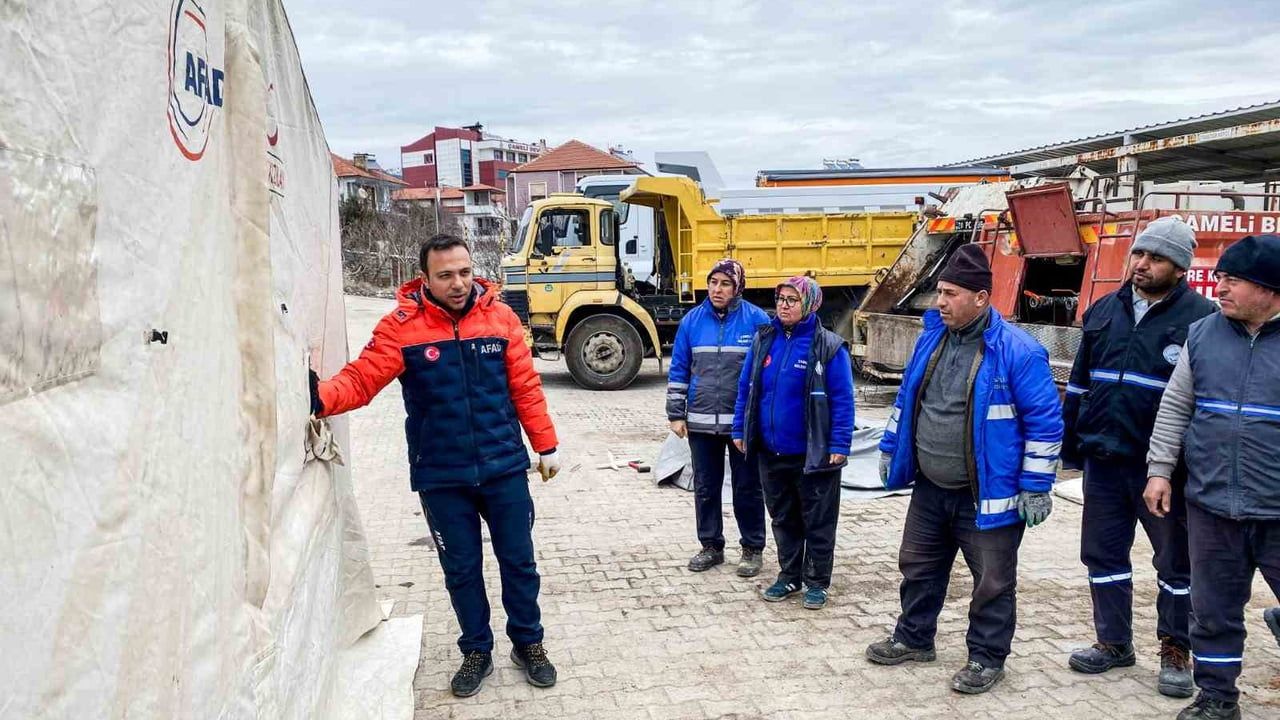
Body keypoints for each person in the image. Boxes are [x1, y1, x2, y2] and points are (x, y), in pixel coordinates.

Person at [310, 234, 561, 699]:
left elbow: (526, 388)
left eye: (465, 272)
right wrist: (320, 397)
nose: (459, 283)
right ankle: (477, 651)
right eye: (446, 275)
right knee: (461, 569)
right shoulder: (401, 328)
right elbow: (362, 378)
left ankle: (529, 644)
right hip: (442, 475)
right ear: (424, 278)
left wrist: (546, 446)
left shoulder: (501, 319)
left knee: (519, 564)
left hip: (504, 466)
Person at [866, 244, 1062, 695]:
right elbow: (908, 401)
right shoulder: (931, 338)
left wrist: (1036, 485)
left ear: (981, 297)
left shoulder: (1019, 351)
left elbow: (1046, 423)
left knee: (992, 581)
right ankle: (915, 638)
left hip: (986, 496)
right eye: (939, 292)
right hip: (932, 487)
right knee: (917, 565)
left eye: (951, 293)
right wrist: (892, 446)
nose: (940, 302)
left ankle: (987, 658)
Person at [1060, 217, 1216, 697]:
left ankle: (1176, 650)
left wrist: (1177, 466)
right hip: (1105, 460)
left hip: (1164, 470)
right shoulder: (1104, 310)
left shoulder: (1203, 322)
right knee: (1103, 554)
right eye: (1139, 255)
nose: (1142, 265)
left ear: (1181, 268)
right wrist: (1072, 449)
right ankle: (1112, 642)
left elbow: (1203, 403)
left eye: (1156, 258)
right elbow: (1080, 385)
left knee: (1176, 563)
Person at [1144, 234, 1280, 720]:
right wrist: (1160, 470)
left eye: (1233, 280)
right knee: (1214, 611)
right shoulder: (1203, 333)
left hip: (1276, 506)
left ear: (1269, 289)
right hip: (1211, 504)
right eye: (1219, 277)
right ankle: (1218, 699)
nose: (1219, 287)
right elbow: (1176, 407)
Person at [731, 276, 854, 611]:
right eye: (781, 298)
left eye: (792, 300)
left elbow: (843, 400)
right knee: (783, 517)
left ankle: (816, 582)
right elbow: (747, 388)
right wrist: (740, 429)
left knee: (817, 520)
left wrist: (840, 443)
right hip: (771, 451)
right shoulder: (764, 339)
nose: (783, 305)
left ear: (810, 304)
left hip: (813, 454)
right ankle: (789, 575)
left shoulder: (828, 346)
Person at [666, 259, 771, 576]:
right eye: (713, 282)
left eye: (725, 283)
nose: (717, 289)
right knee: (706, 488)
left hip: (742, 426)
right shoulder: (692, 321)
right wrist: (675, 413)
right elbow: (679, 369)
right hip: (700, 423)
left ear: (738, 286)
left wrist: (763, 418)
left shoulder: (757, 320)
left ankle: (752, 548)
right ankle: (711, 546)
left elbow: (767, 374)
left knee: (747, 488)